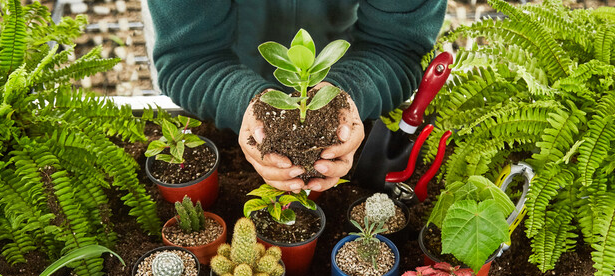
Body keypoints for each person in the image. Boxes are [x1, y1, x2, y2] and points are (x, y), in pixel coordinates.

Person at [147, 1, 446, 192]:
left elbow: (396, 46)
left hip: (348, 64)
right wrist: (241, 99)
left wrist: (350, 90)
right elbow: (189, 56)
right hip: (223, 79)